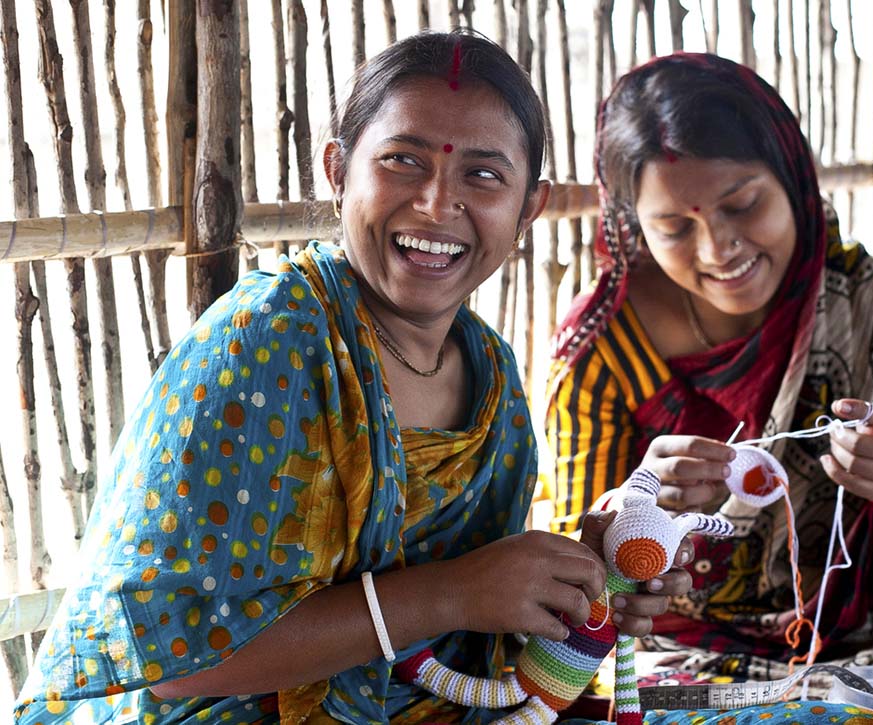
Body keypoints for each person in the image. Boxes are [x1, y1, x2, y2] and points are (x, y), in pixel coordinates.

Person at [14, 31, 695, 725]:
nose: (436, 204)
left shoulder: (493, 378)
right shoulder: (270, 339)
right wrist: (452, 592)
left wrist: (578, 579)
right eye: (403, 161)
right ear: (339, 171)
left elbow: (465, 639)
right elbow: (178, 666)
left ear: (529, 209)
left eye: (482, 176)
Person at [547, 52, 873, 685]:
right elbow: (575, 576)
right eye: (675, 227)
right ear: (634, 228)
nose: (719, 248)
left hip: (866, 647)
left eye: (742, 204)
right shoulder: (606, 343)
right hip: (659, 660)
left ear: (794, 176)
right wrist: (635, 508)